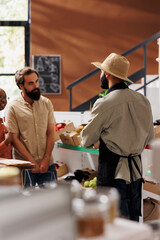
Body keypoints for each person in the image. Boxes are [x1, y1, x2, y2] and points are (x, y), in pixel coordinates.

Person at [81, 53, 154, 221]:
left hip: (113, 174)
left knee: (114, 225)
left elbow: (86, 140)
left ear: (107, 74)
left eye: (101, 71)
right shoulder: (143, 101)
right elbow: (150, 137)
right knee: (132, 225)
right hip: (136, 174)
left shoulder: (105, 103)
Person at [5, 67, 57, 187]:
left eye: (37, 81)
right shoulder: (12, 107)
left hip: (47, 164)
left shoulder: (46, 103)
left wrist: (46, 158)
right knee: (26, 203)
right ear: (21, 86)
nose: (36, 86)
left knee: (52, 202)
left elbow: (51, 132)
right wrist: (31, 161)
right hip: (25, 166)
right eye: (31, 83)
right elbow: (14, 139)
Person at [0, 88, 12, 158]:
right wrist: (6, 141)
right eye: (1, 97)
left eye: (5, 97)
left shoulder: (2, 121)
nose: (4, 100)